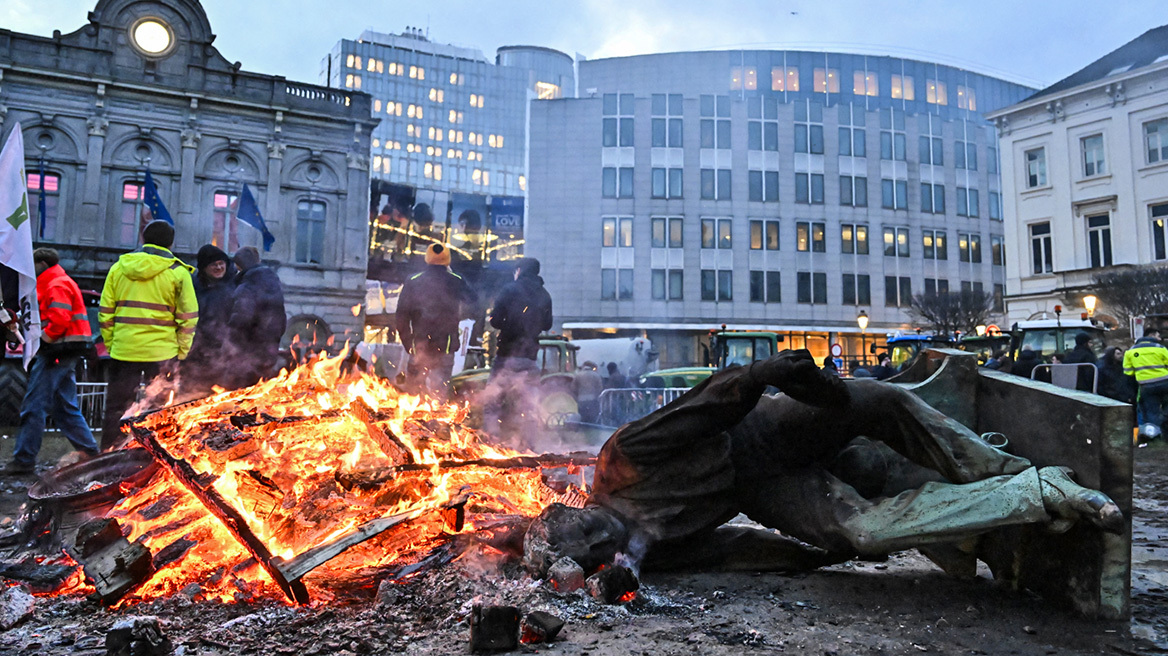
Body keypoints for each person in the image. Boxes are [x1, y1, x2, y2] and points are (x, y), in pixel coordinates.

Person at [528, 350, 1123, 577]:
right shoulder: (639, 554)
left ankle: (996, 465)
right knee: (865, 531)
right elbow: (732, 548)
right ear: (594, 560)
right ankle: (1036, 492)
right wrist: (816, 554)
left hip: (759, 432)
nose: (597, 536)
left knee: (879, 399)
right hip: (766, 487)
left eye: (583, 526)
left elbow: (703, 406)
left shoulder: (620, 461)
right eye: (590, 549)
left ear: (575, 507)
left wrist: (764, 375)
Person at [99, 221, 198, 449]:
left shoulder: (119, 268)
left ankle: (109, 454)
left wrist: (113, 344)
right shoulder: (178, 272)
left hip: (124, 351)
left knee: (116, 409)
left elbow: (105, 314)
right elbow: (189, 317)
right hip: (163, 354)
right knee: (160, 411)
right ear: (171, 242)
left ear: (143, 238)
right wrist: (181, 351)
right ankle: (155, 456)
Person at [2, 249, 100, 474]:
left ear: (42, 263)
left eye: (33, 263)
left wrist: (43, 342)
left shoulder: (54, 284)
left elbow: (58, 320)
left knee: (34, 405)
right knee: (64, 407)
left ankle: (24, 460)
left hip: (57, 350)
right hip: (63, 351)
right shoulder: (55, 281)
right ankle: (91, 452)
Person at [483, 258, 553, 442]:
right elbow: (548, 324)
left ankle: (492, 441)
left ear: (520, 270)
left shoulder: (509, 290)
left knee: (492, 402)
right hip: (530, 358)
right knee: (528, 406)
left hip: (507, 356)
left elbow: (496, 320)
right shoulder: (544, 294)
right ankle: (529, 446)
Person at [395, 243, 475, 398]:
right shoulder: (455, 280)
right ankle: (437, 421)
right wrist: (452, 272)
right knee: (438, 395)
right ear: (448, 260)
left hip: (419, 346)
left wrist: (408, 342)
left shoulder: (413, 280)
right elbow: (473, 299)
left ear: (427, 258)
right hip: (445, 346)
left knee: (412, 394)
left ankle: (408, 421)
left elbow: (401, 315)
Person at [225, 247, 287, 390]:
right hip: (269, 349)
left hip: (248, 352)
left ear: (239, 266)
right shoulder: (274, 284)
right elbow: (281, 320)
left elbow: (241, 319)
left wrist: (229, 341)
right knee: (261, 391)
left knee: (243, 394)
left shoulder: (246, 286)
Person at [181, 245, 237, 398]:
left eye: (221, 263)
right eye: (214, 264)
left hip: (227, 353)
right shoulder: (193, 287)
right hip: (198, 353)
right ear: (204, 268)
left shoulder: (235, 284)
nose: (219, 267)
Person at [1123, 328, 1168, 437]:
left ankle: (1155, 436)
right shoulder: (1161, 348)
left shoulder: (1130, 352)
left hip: (1146, 386)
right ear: (1151, 336)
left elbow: (1128, 373)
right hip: (1165, 383)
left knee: (1152, 411)